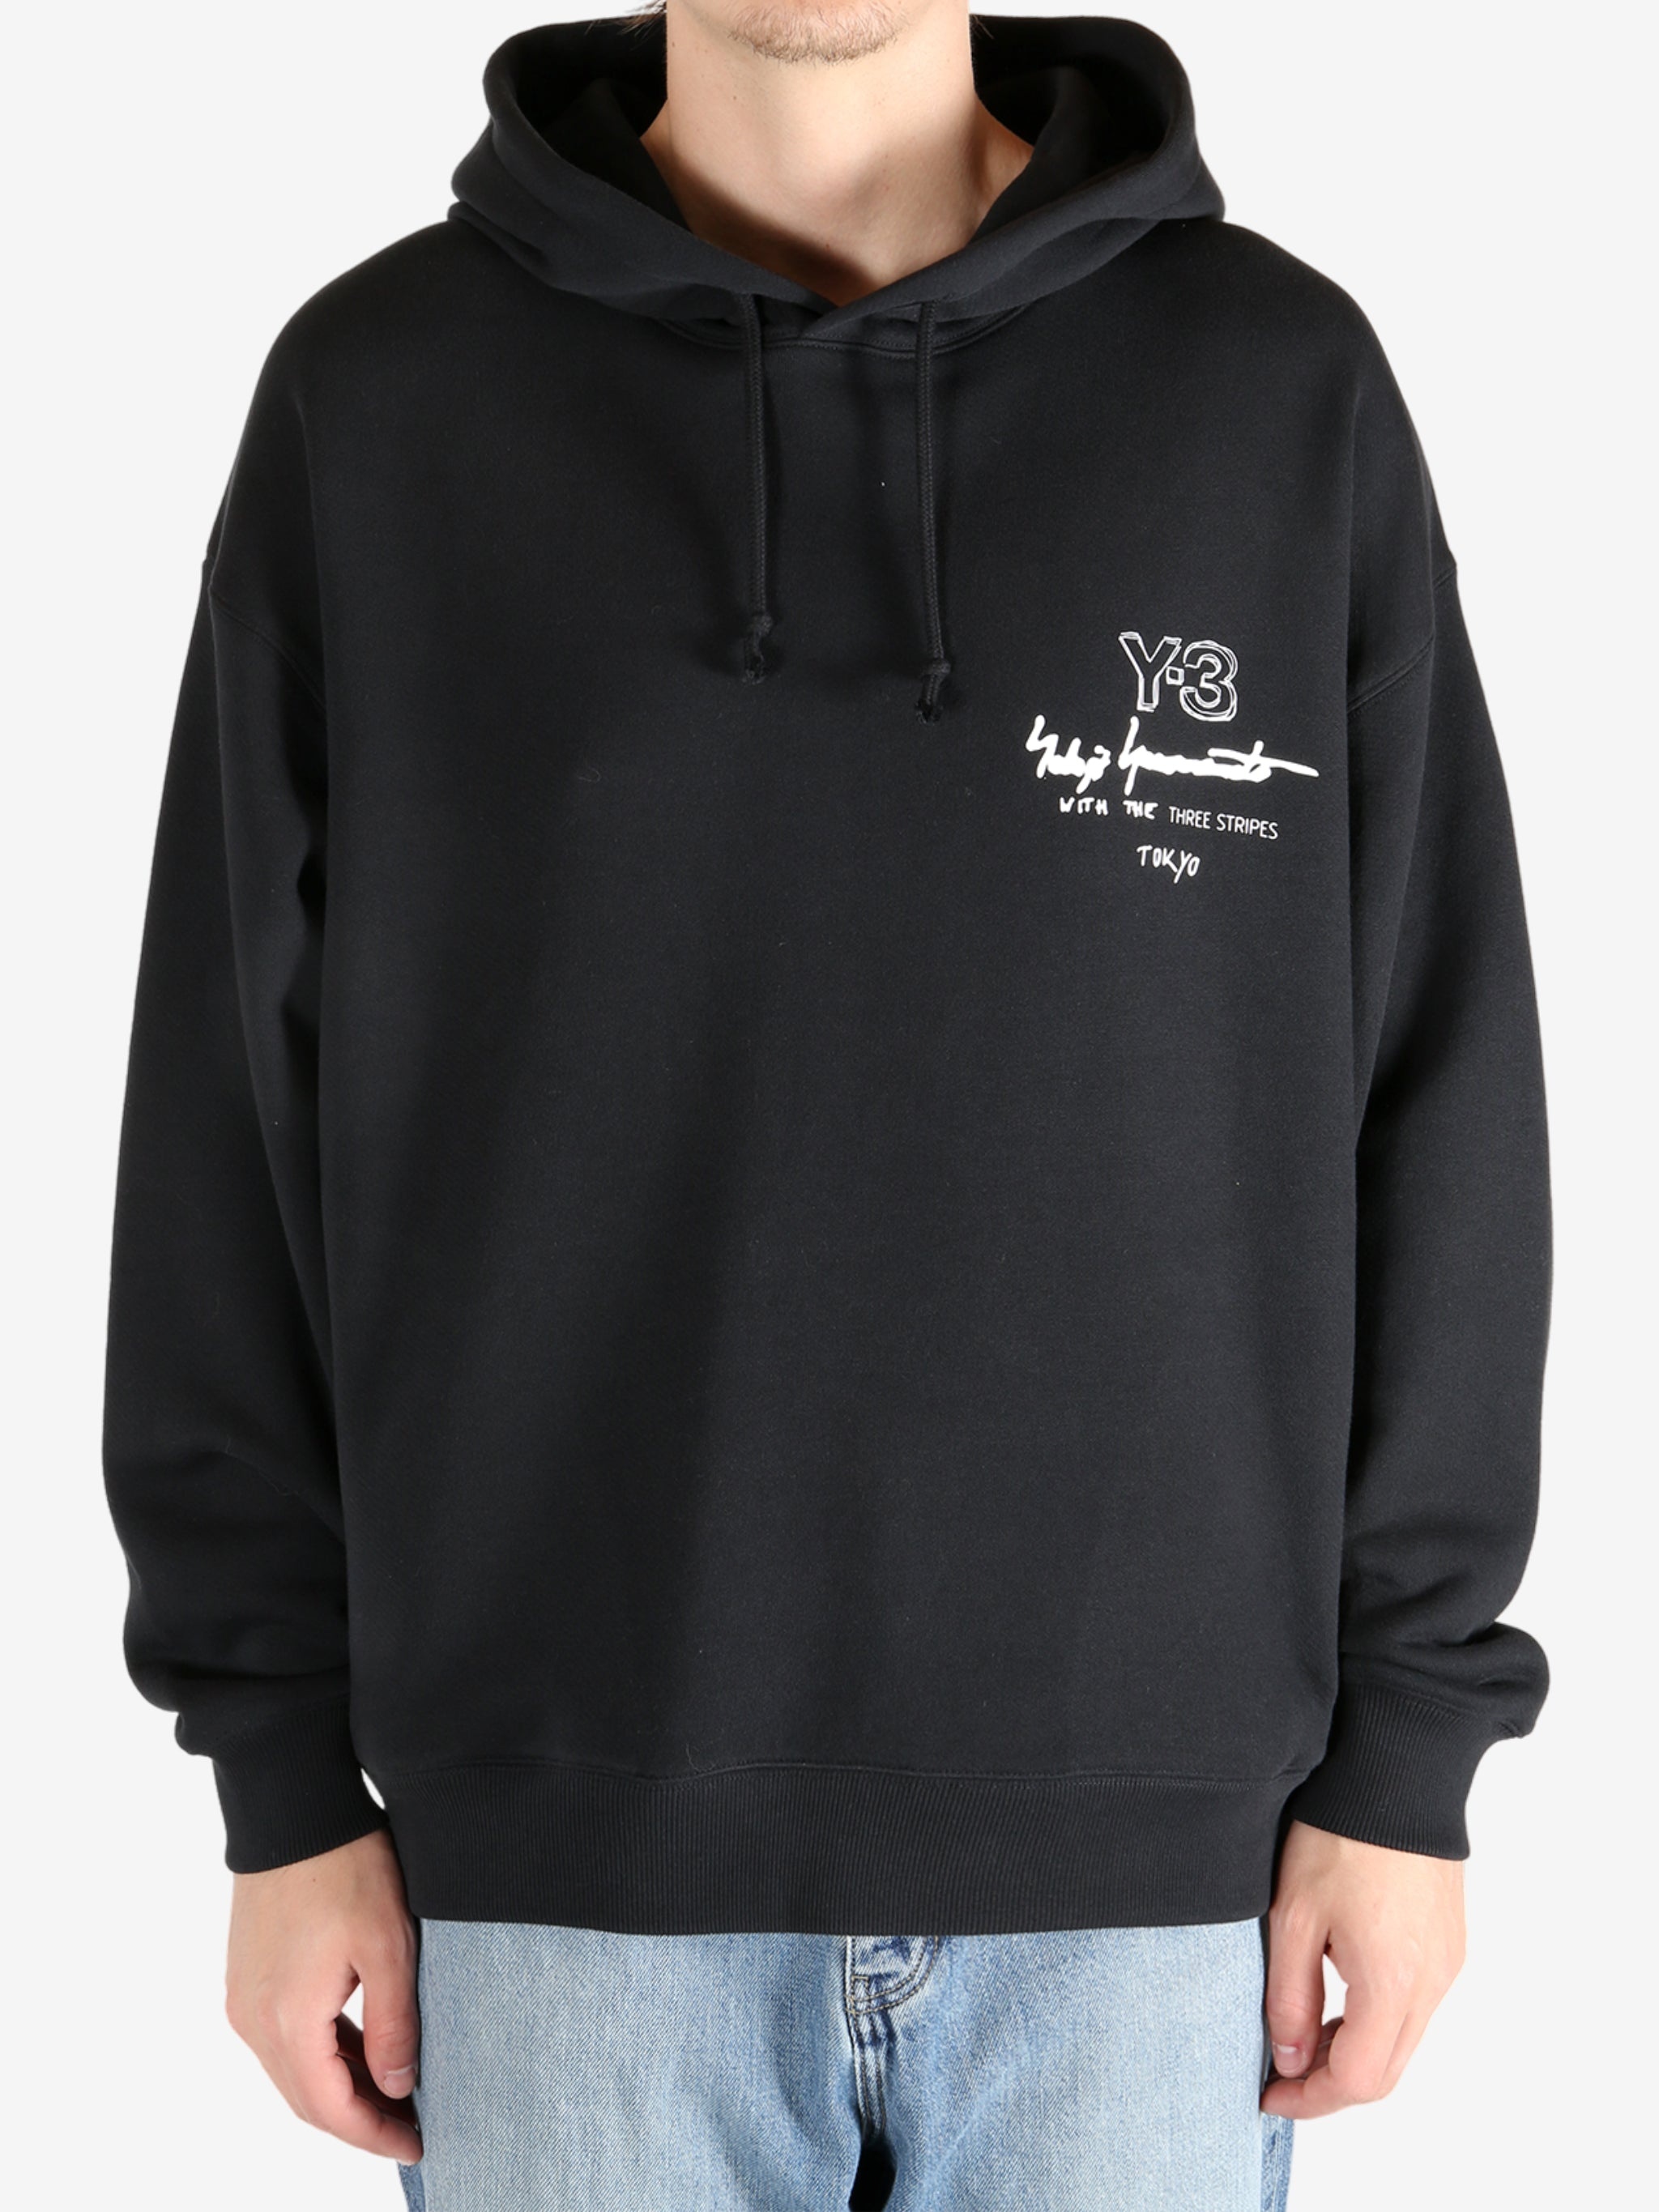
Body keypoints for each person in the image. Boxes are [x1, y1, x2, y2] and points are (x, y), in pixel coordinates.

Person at [101, 2, 1552, 2205]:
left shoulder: (1276, 392)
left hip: (1162, 1899)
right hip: (562, 1883)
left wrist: (1414, 1744)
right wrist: (279, 1781)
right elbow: (226, 1122)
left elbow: (1441, 1089)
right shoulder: (379, 402)